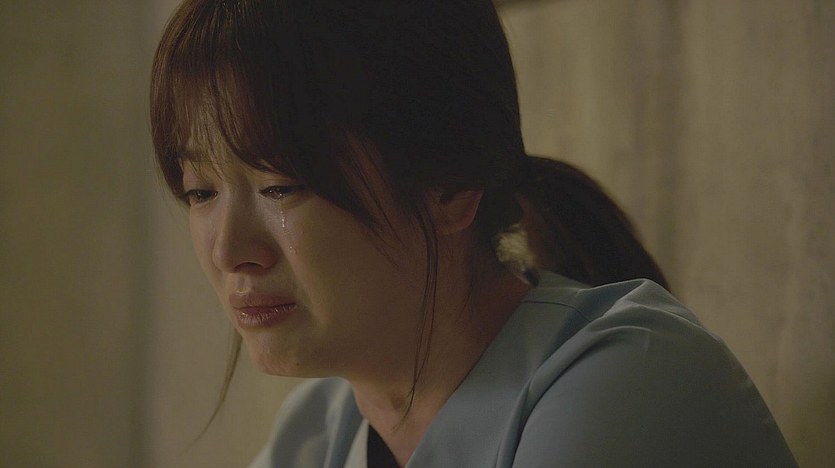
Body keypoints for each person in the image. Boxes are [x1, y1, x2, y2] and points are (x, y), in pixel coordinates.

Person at [150, 1, 797, 466]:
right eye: (200, 191)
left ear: (450, 186)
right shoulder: (317, 433)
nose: (228, 251)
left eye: (281, 186)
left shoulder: (629, 386)